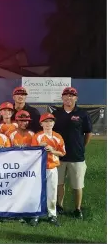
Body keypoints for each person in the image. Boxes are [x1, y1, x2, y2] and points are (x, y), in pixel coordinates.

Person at [52, 87, 92, 219]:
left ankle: (77, 208)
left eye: (71, 96)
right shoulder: (56, 113)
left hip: (76, 156)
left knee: (77, 185)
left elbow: (88, 133)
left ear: (76, 98)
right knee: (59, 183)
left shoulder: (82, 113)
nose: (68, 98)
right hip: (59, 155)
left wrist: (80, 146)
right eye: (66, 95)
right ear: (62, 97)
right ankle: (59, 205)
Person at [31, 113, 66, 227]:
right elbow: (31, 153)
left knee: (52, 192)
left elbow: (62, 153)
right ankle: (36, 214)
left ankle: (52, 215)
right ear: (41, 124)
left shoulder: (57, 136)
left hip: (52, 167)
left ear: (54, 123)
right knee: (37, 192)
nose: (48, 124)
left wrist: (52, 150)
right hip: (39, 168)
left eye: (50, 121)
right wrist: (38, 147)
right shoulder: (37, 136)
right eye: (45, 122)